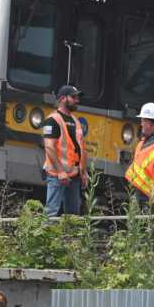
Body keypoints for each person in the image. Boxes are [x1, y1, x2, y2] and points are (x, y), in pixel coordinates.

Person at [42, 85, 86, 217]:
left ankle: (69, 238)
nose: (77, 100)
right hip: (57, 175)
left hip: (73, 175)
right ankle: (45, 238)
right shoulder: (52, 120)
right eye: (73, 97)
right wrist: (60, 172)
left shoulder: (76, 121)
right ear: (62, 99)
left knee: (73, 216)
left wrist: (83, 172)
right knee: (51, 212)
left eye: (77, 97)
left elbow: (81, 148)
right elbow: (49, 147)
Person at [125, 102, 154, 205]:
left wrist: (153, 197)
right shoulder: (147, 139)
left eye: (143, 121)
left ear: (149, 123)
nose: (141, 124)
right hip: (139, 193)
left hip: (153, 199)